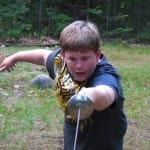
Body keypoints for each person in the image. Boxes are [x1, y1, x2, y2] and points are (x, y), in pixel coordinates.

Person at [0, 20, 127, 150]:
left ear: (97, 55)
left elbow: (106, 93)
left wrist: (90, 95)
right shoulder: (60, 63)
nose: (79, 66)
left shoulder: (105, 75)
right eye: (72, 59)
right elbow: (43, 56)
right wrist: (14, 58)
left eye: (85, 58)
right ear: (63, 55)